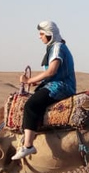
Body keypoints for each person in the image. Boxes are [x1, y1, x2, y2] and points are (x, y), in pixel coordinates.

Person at [12, 21, 76, 160]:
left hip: (61, 86)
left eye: (41, 34)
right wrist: (36, 81)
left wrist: (29, 81)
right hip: (55, 84)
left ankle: (28, 146)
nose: (39, 37)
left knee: (31, 105)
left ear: (49, 34)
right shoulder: (54, 47)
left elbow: (51, 71)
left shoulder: (58, 48)